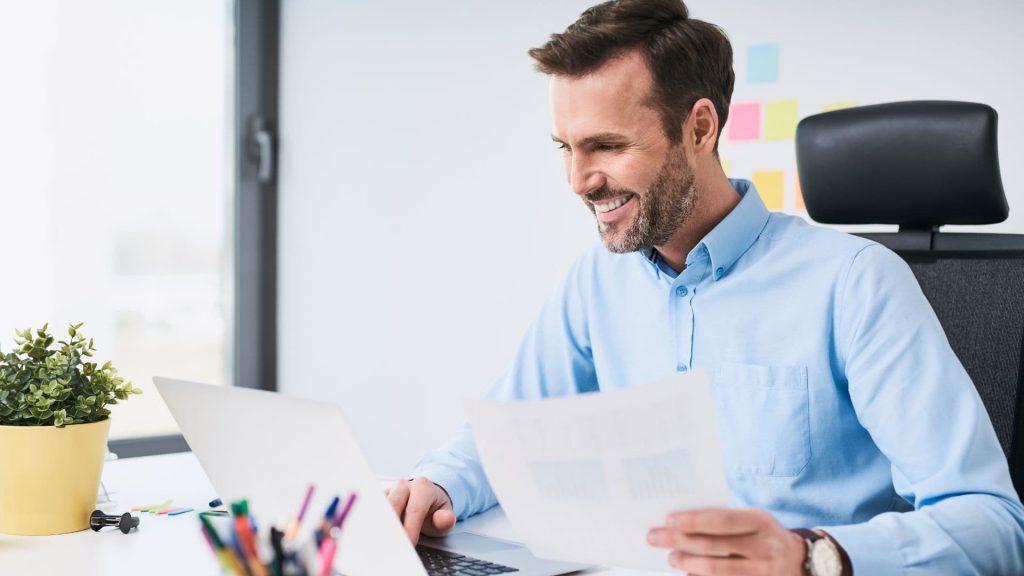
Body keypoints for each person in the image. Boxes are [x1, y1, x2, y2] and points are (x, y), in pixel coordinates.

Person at [386, 0, 1024, 573]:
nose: (579, 181)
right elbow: (508, 435)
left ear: (699, 128)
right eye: (565, 147)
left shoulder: (855, 284)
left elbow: (992, 525)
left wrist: (809, 555)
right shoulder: (597, 282)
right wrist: (437, 485)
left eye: (606, 146)